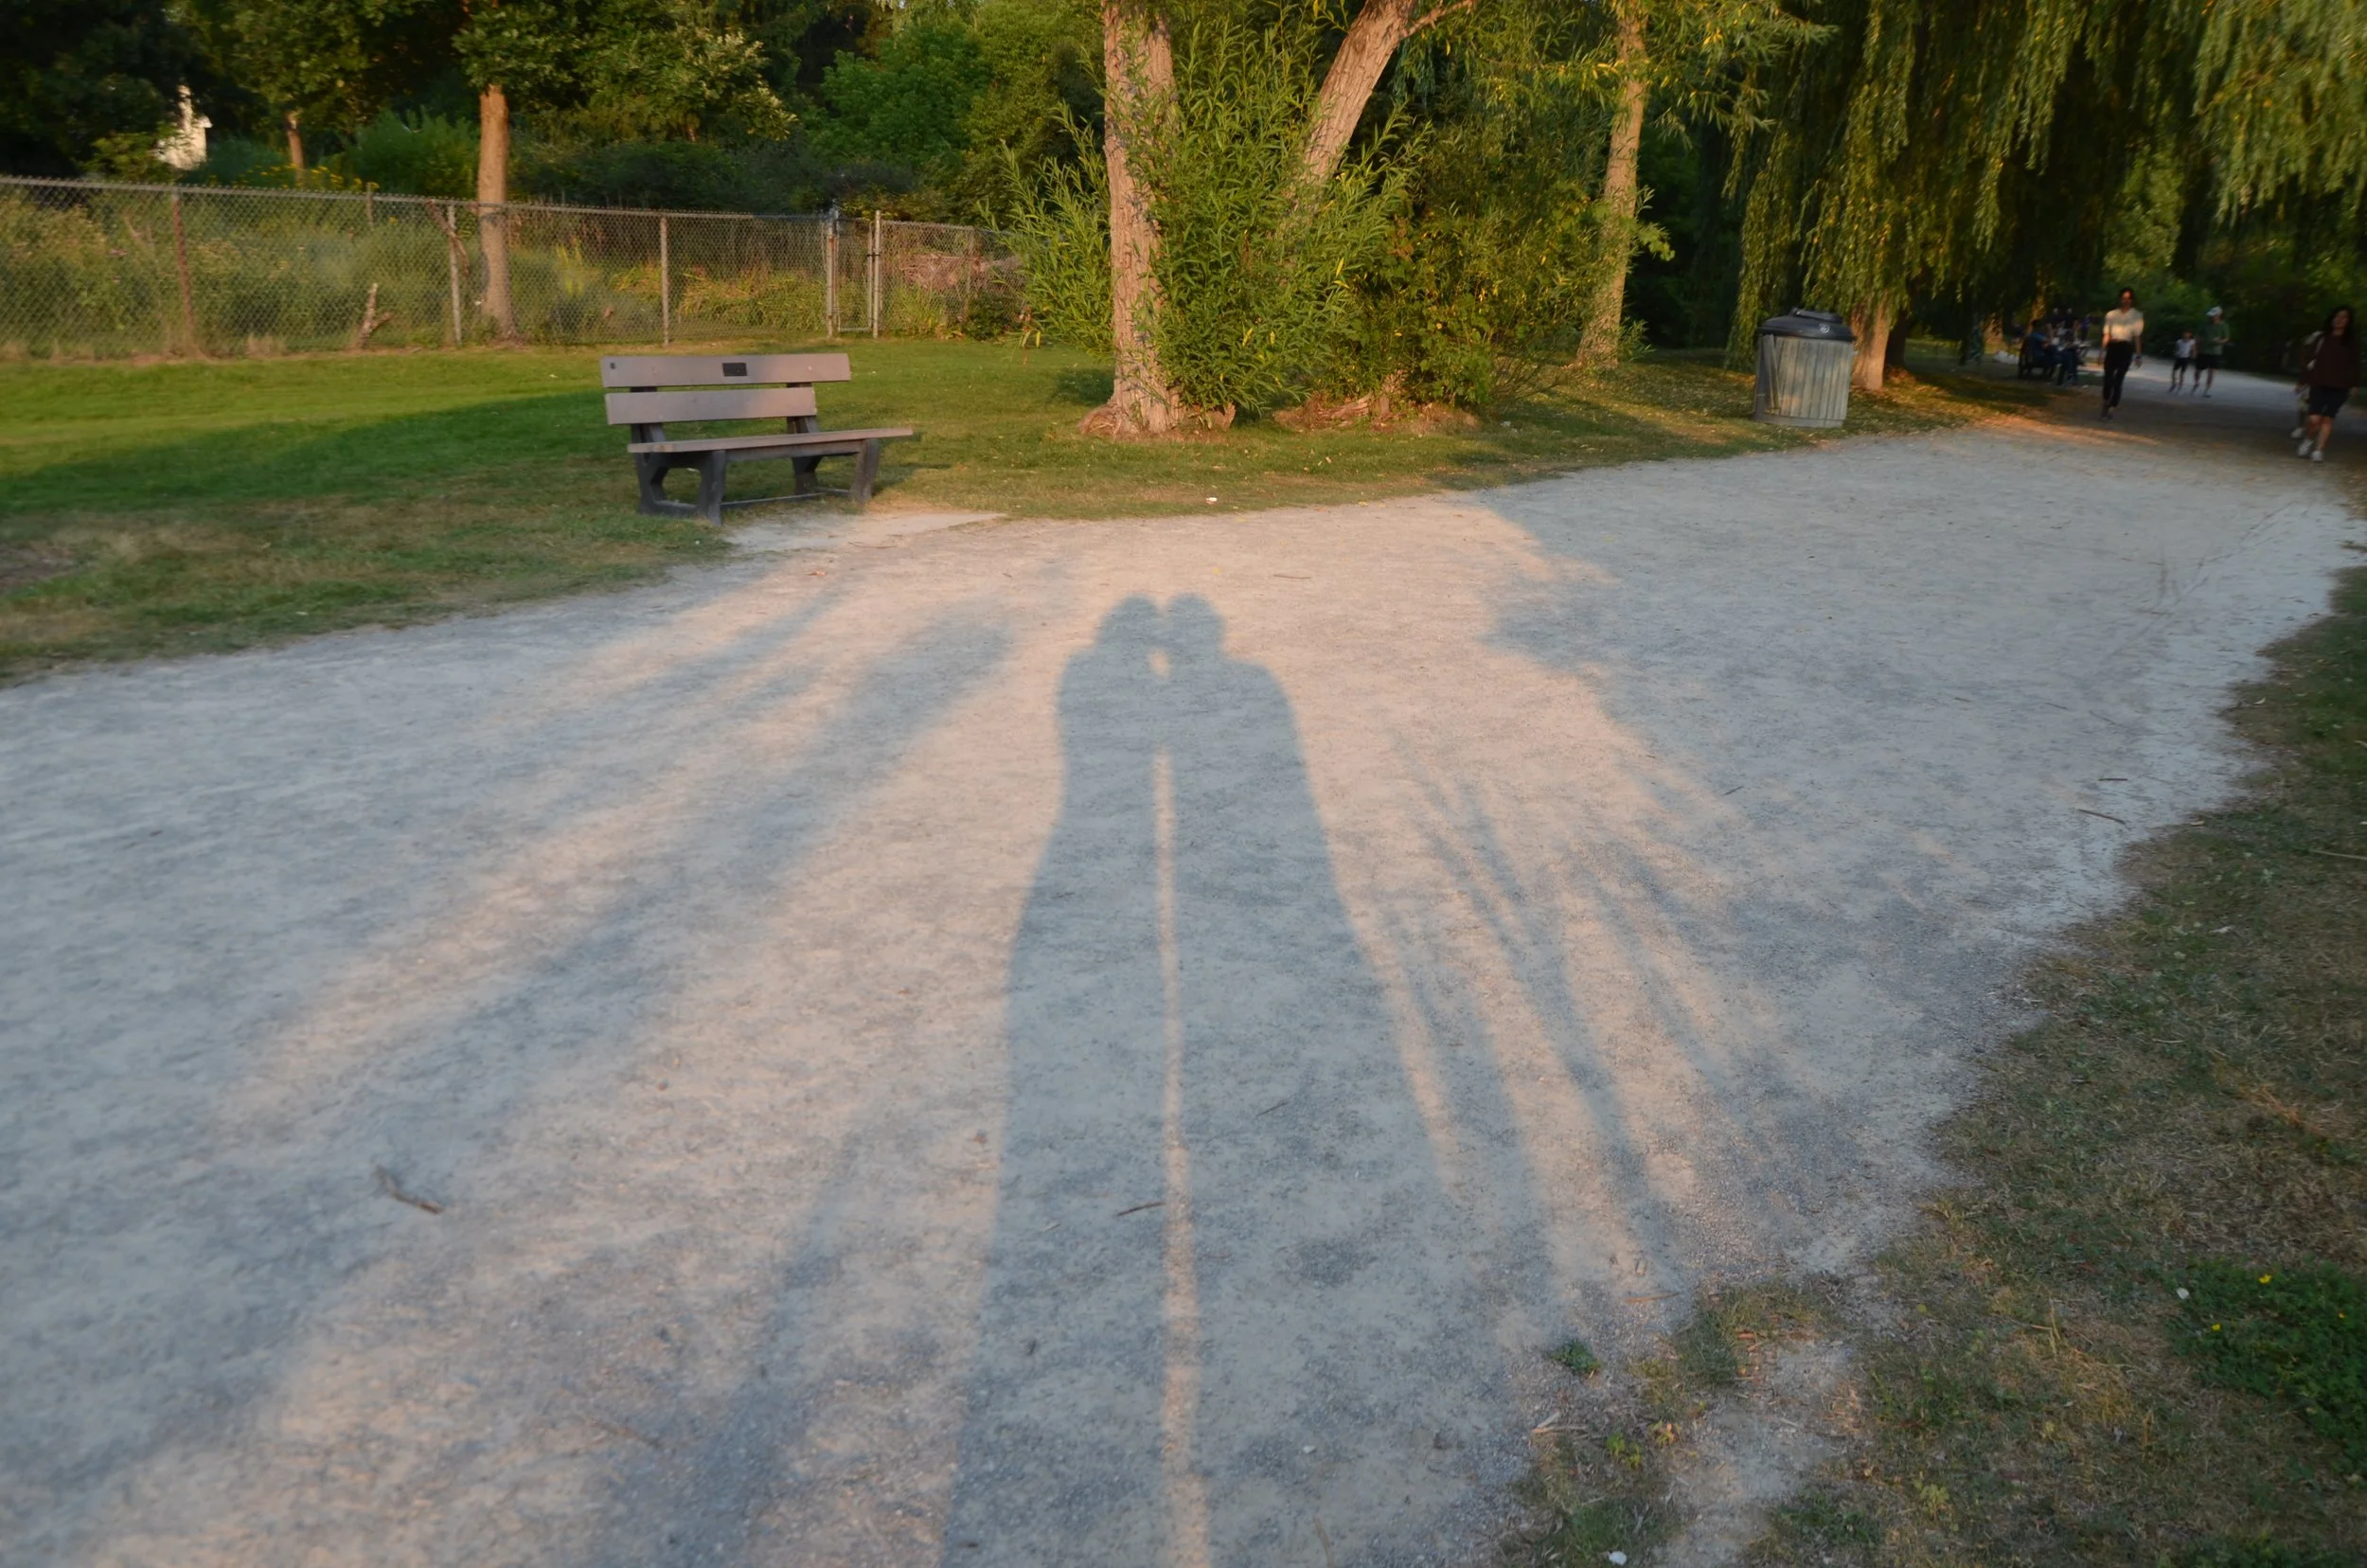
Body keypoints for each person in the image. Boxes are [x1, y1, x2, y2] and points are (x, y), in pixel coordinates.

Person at [2297, 305, 2358, 463]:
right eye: (2337, 317)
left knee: (2328, 419)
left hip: (2340, 386)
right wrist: (2302, 380)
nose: (2339, 320)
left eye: (2344, 318)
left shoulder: (2351, 342)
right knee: (2314, 419)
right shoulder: (2321, 338)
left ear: (2348, 321)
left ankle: (2319, 450)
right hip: (2319, 382)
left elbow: (2355, 364)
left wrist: (2354, 384)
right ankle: (2308, 440)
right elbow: (2309, 361)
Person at [2099, 288, 2143, 419]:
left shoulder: (2136, 316)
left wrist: (2138, 355)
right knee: (2108, 378)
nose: (2126, 301)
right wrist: (2102, 351)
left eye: (2128, 298)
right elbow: (2106, 334)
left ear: (2132, 300)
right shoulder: (2111, 315)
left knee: (2119, 379)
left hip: (2126, 347)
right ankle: (2106, 400)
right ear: (2120, 299)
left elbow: (2137, 337)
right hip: (2113, 346)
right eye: (2124, 298)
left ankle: (2113, 406)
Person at [2197, 306, 2231, 397]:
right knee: (2198, 370)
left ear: (2218, 315)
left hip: (2216, 352)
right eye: (2210, 316)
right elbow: (2199, 336)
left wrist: (2219, 341)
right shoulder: (2204, 324)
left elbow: (2226, 338)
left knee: (2212, 371)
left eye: (2213, 316)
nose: (2211, 317)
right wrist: (2196, 347)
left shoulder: (2224, 325)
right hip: (2203, 350)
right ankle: (2197, 383)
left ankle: (2207, 390)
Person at [2169, 328, 2197, 392]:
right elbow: (2176, 349)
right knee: (2174, 371)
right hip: (2179, 357)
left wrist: (2193, 354)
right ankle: (2174, 383)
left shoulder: (2192, 342)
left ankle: (2180, 386)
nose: (2185, 334)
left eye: (2187, 333)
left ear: (2190, 334)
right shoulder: (2179, 341)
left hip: (2185, 358)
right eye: (2184, 333)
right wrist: (2175, 353)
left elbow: (2193, 349)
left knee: (2182, 373)